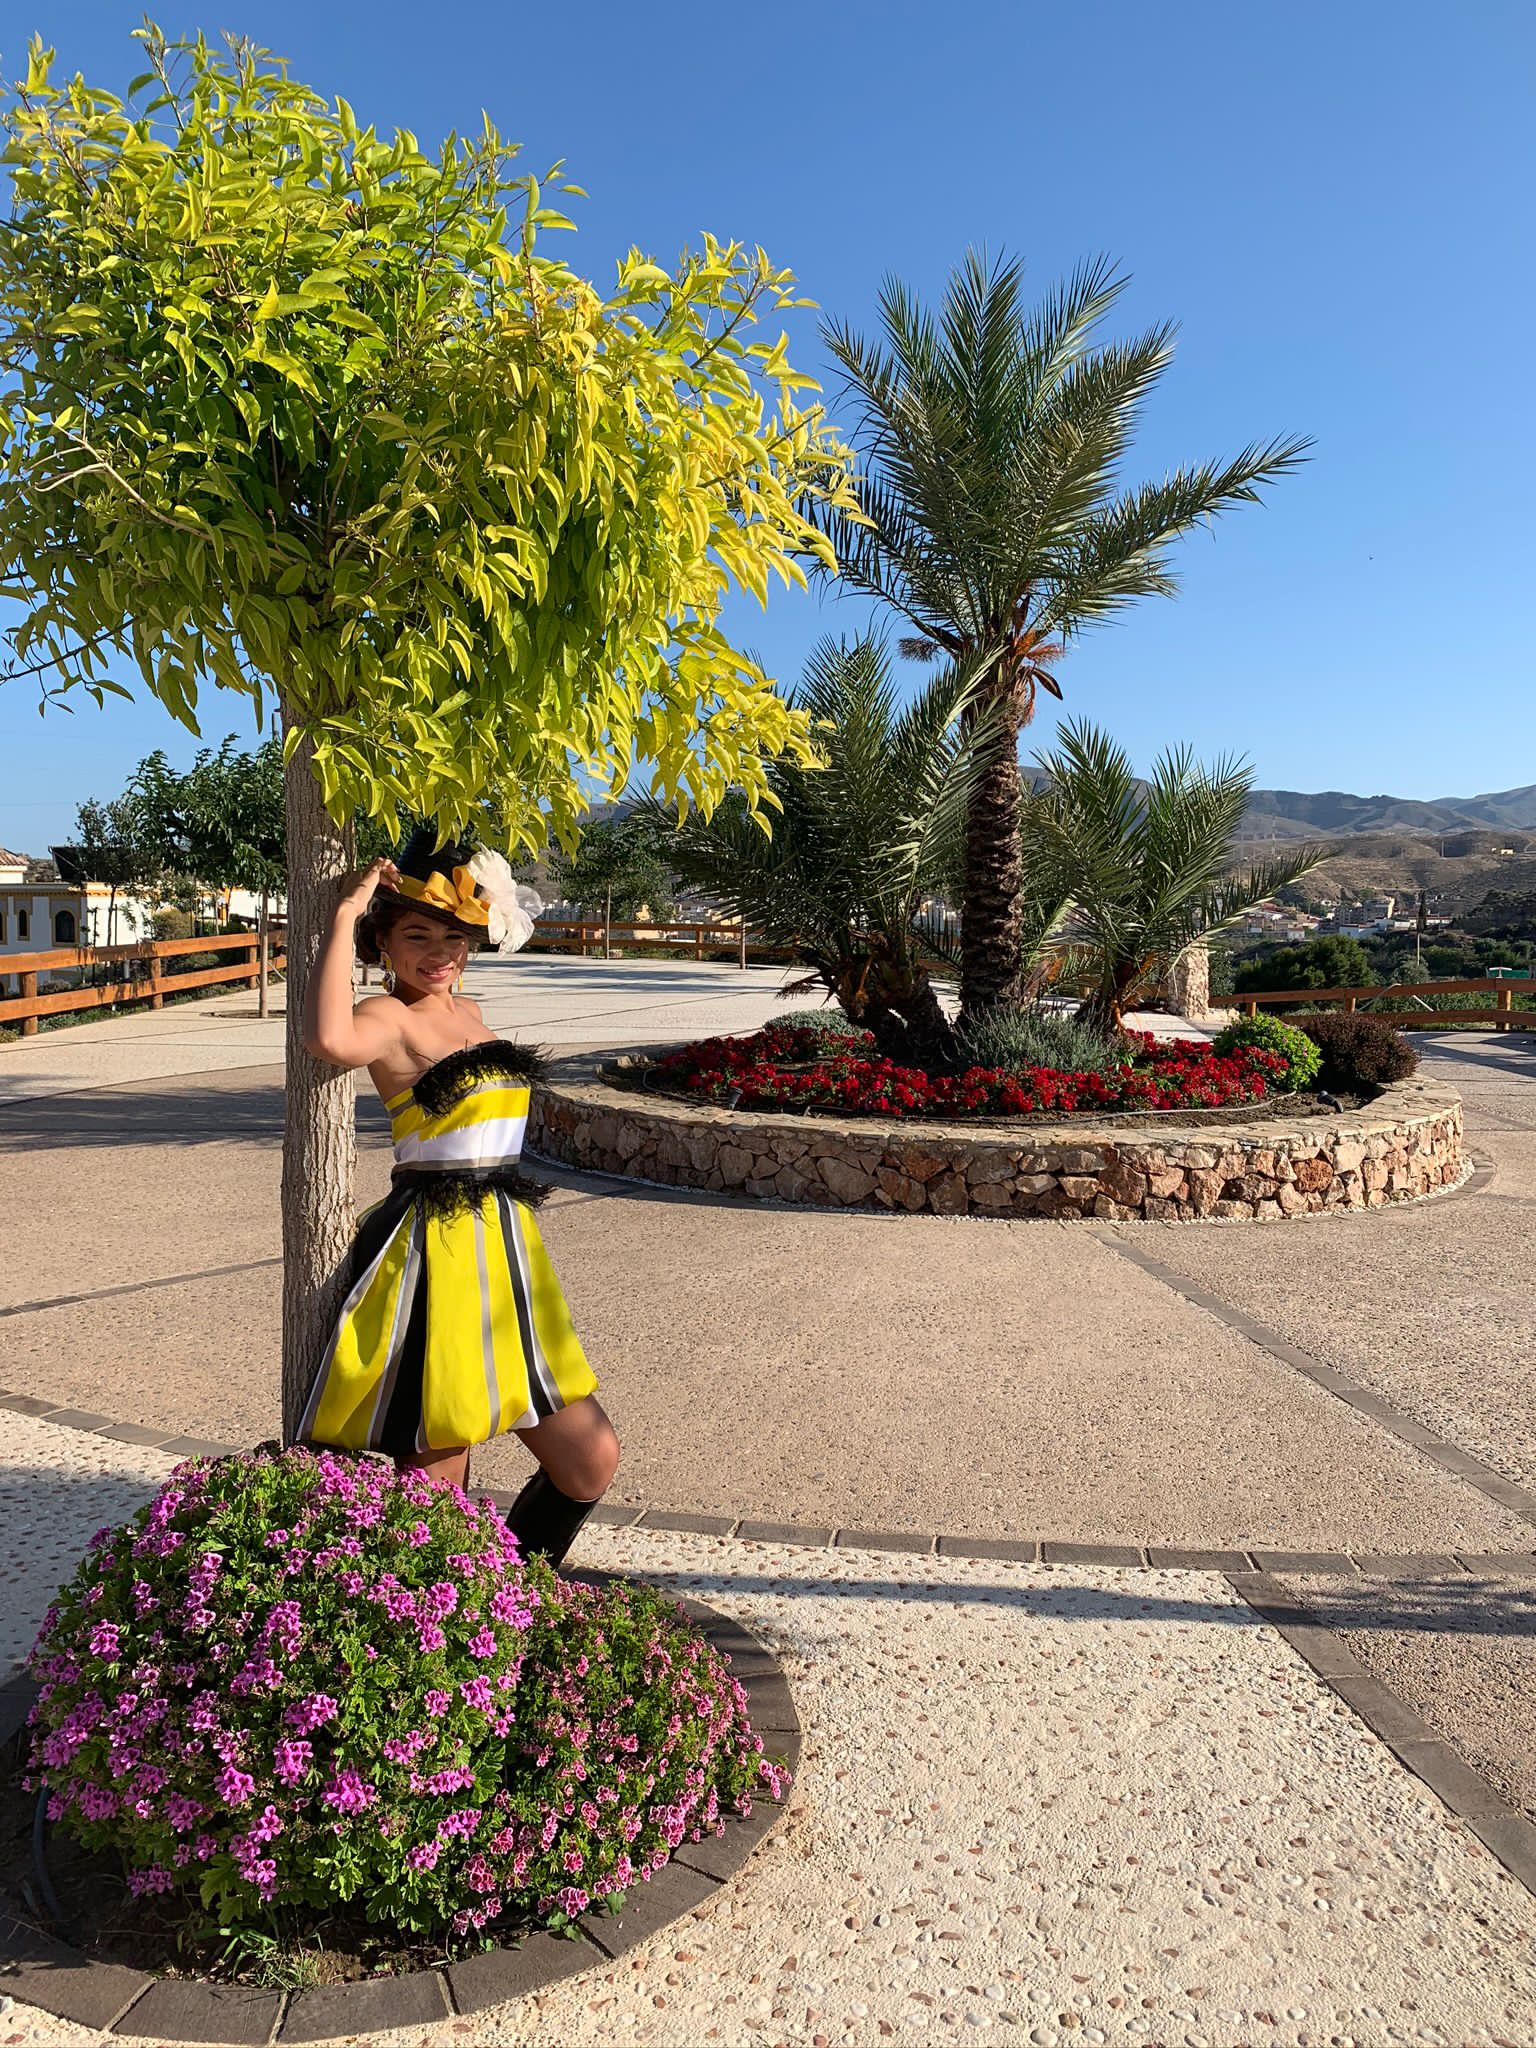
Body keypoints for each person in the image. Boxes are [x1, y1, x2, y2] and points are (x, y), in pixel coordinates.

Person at [297, 826, 619, 1570]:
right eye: (417, 935)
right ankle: (459, 1617)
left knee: (590, 1459)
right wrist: (343, 914)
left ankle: (517, 1589)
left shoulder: (469, 1013)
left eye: (454, 936)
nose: (438, 952)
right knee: (437, 1481)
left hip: (506, 1251)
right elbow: (328, 1041)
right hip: (433, 1255)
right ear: (385, 941)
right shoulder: (389, 1017)